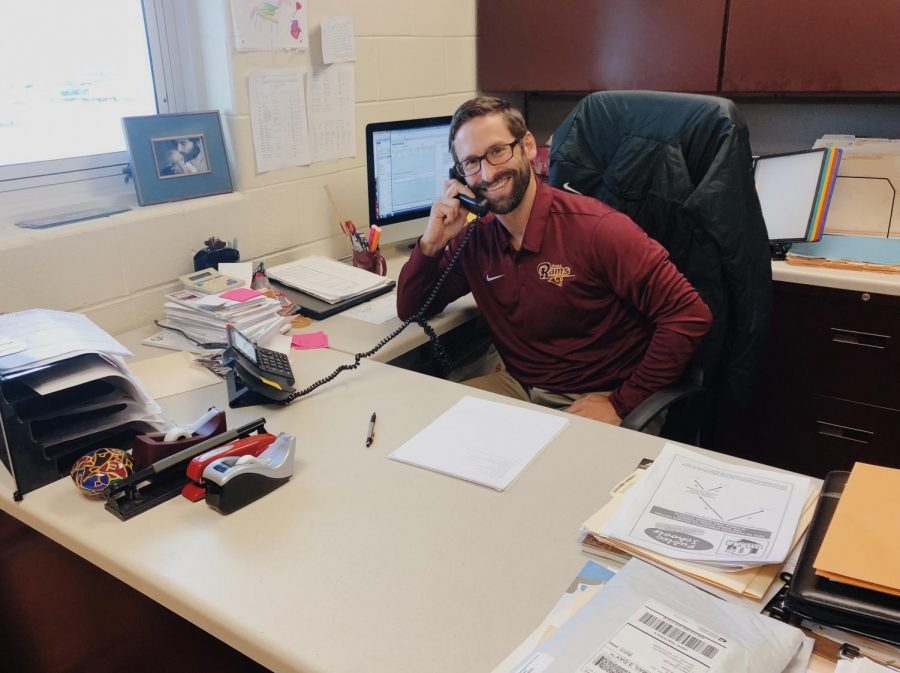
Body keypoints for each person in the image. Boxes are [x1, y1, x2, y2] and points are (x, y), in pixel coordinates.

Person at [396, 97, 713, 428]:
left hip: (597, 397)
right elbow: (412, 309)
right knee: (428, 428)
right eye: (471, 163)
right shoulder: (475, 240)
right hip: (520, 390)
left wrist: (622, 403)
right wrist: (431, 244)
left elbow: (689, 315)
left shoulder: (598, 229)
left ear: (528, 146)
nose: (488, 173)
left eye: (497, 151)